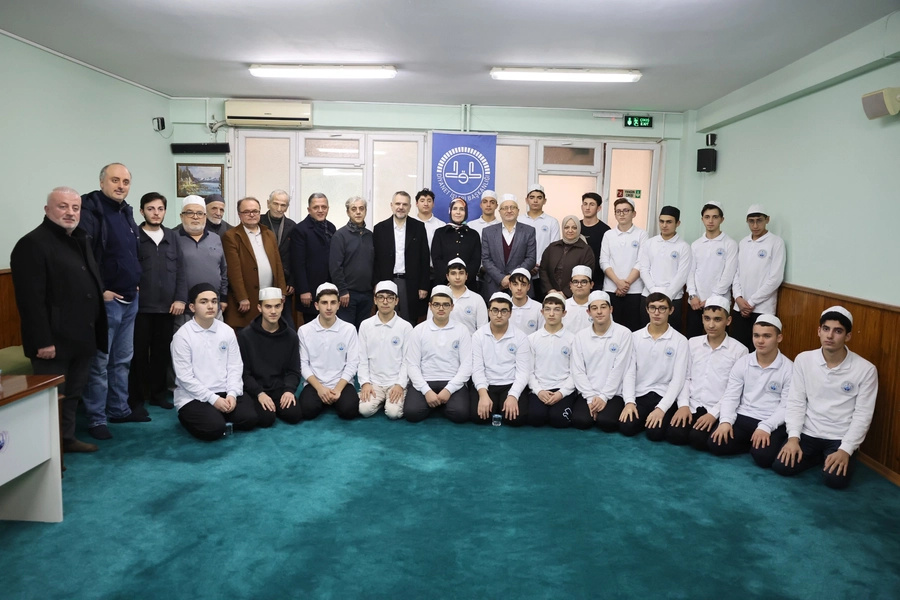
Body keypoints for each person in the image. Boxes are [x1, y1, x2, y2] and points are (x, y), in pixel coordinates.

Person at [10, 187, 107, 453]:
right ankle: (47, 452)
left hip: (81, 336)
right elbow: (30, 301)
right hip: (53, 341)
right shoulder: (32, 243)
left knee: (73, 394)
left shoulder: (80, 238)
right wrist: (43, 341)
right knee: (50, 398)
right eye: (63, 206)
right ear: (47, 210)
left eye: (75, 208)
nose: (70, 212)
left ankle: (66, 440)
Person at [773, 307, 878, 489]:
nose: (830, 335)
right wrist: (793, 438)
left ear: (848, 336)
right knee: (781, 467)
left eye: (838, 331)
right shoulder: (804, 360)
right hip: (808, 432)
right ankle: (817, 456)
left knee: (834, 481)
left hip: (839, 437)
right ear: (819, 331)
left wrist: (846, 449)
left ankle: (831, 456)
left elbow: (863, 415)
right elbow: (796, 402)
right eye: (826, 329)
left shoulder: (866, 369)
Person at [79, 163, 146, 440]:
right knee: (99, 363)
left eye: (126, 182)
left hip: (130, 298)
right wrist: (101, 290)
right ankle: (96, 418)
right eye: (115, 180)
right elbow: (83, 255)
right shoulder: (90, 211)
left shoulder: (125, 211)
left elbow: (129, 252)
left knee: (122, 360)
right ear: (102, 182)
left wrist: (135, 280)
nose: (121, 186)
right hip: (106, 301)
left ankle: (119, 409)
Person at [171, 283, 258, 441]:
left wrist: (232, 394)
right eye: (203, 302)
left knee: (251, 418)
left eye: (214, 301)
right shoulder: (182, 336)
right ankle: (201, 417)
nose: (210, 306)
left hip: (224, 390)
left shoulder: (227, 331)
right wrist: (213, 399)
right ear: (192, 307)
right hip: (193, 396)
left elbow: (235, 366)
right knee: (213, 429)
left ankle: (218, 415)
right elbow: (185, 378)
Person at [708, 314, 791, 467]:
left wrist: (766, 427)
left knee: (763, 457)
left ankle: (755, 445)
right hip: (744, 415)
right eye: (756, 335)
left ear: (779, 338)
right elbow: (731, 396)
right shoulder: (743, 362)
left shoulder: (789, 368)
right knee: (715, 443)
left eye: (767, 336)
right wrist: (725, 421)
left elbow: (786, 407)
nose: (760, 341)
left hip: (770, 420)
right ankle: (750, 443)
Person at [666, 296, 748, 450]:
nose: (711, 325)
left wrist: (713, 414)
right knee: (675, 435)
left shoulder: (739, 351)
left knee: (699, 440)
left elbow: (733, 391)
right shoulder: (692, 343)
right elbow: (685, 377)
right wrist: (683, 405)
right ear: (702, 319)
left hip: (716, 408)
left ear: (728, 321)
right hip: (692, 405)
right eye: (707, 318)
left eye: (717, 319)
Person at [129, 192, 183, 416]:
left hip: (168, 307)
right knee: (138, 354)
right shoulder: (134, 236)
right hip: (141, 308)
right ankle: (137, 397)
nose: (156, 213)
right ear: (142, 211)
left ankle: (158, 394)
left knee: (162, 353)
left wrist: (180, 298)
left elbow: (181, 270)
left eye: (160, 209)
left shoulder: (172, 237)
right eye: (151, 209)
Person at [619, 290, 690, 440]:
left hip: (664, 395)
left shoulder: (680, 341)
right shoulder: (635, 337)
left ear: (671, 310)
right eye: (653, 307)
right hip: (640, 393)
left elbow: (678, 379)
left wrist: (661, 409)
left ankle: (653, 417)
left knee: (655, 433)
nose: (657, 312)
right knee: (626, 427)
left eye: (662, 308)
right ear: (647, 309)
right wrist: (629, 402)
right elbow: (629, 372)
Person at [236, 287, 303, 427]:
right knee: (266, 419)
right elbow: (244, 373)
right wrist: (259, 393)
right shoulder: (245, 336)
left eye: (277, 306)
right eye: (268, 306)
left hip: (280, 388)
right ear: (259, 308)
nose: (273, 311)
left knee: (294, 415)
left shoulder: (291, 336)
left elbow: (294, 370)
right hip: (256, 389)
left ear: (282, 306)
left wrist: (289, 390)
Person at [405, 285, 472, 423]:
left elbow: (467, 365)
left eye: (445, 305)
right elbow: (412, 365)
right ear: (430, 306)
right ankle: (439, 403)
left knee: (461, 414)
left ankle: (436, 404)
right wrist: (426, 391)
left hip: (451, 379)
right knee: (412, 413)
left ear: (452, 307)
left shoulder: (462, 330)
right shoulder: (419, 330)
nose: (441, 308)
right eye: (436, 304)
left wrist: (449, 390)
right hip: (425, 379)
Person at [571, 291, 634, 431]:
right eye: (594, 308)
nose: (599, 312)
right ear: (588, 312)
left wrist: (604, 397)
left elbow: (620, 368)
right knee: (581, 421)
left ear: (611, 309)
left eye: (603, 307)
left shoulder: (624, 334)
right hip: (588, 392)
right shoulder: (580, 337)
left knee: (607, 423)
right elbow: (578, 370)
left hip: (613, 393)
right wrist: (590, 398)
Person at [297, 283, 360, 420]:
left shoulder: (349, 329)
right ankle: (324, 399)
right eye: (324, 303)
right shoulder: (304, 330)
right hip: (315, 384)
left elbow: (352, 364)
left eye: (333, 302)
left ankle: (331, 400)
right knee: (307, 411)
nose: (329, 307)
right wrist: (320, 389)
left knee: (349, 411)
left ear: (338, 305)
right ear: (316, 305)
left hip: (341, 383)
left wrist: (338, 389)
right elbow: (303, 364)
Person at [222, 197, 286, 329]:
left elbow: (277, 265)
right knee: (248, 332)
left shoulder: (268, 234)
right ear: (239, 214)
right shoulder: (231, 236)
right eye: (246, 212)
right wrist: (242, 297)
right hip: (247, 298)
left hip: (269, 296)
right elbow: (234, 271)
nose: (252, 215)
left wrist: (282, 291)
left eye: (255, 211)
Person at [470, 292, 533, 426]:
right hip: (487, 384)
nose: (499, 315)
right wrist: (483, 394)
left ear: (510, 313)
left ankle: (501, 404)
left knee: (516, 419)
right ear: (489, 312)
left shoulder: (520, 337)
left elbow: (523, 372)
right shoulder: (478, 336)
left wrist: (513, 395)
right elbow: (477, 369)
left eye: (504, 311)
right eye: (495, 310)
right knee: (478, 417)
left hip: (510, 383)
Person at [731, 204, 786, 351]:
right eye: (751, 221)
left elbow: (775, 278)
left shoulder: (776, 242)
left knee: (759, 351)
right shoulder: (743, 243)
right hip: (739, 308)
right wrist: (738, 298)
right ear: (747, 221)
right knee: (738, 349)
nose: (755, 225)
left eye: (759, 220)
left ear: (767, 220)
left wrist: (751, 302)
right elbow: (736, 273)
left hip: (762, 309)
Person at [358, 281, 414, 419]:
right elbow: (361, 358)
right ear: (375, 300)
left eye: (390, 298)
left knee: (393, 413)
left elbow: (407, 360)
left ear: (396, 301)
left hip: (395, 382)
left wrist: (400, 384)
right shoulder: (366, 325)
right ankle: (381, 400)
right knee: (364, 410)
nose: (385, 302)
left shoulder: (405, 327)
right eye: (381, 297)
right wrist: (365, 383)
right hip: (373, 383)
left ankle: (390, 400)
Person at [373, 191, 430, 324]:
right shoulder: (380, 228)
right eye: (397, 204)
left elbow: (424, 258)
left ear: (410, 207)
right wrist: (376, 284)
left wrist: (423, 285)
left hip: (410, 283)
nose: (401, 207)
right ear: (391, 205)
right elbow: (375, 260)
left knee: (409, 320)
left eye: (404, 204)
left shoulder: (418, 227)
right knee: (385, 319)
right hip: (387, 280)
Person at [686, 202, 738, 338]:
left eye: (715, 217)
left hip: (719, 302)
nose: (710, 221)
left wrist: (712, 298)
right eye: (707, 217)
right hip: (696, 303)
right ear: (702, 219)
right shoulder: (696, 244)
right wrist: (692, 295)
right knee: (693, 338)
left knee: (719, 340)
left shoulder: (730, 244)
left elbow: (728, 274)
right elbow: (690, 272)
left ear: (722, 219)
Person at [174, 196, 228, 326]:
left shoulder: (215, 238)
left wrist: (223, 297)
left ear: (205, 216)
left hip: (213, 307)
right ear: (182, 216)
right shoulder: (172, 238)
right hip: (184, 308)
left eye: (199, 213)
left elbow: (223, 270)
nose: (195, 217)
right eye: (190, 213)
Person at [526, 292, 578, 428]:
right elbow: (528, 371)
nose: (551, 314)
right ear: (542, 312)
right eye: (548, 309)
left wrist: (561, 393)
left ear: (564, 313)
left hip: (563, 388)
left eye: (557, 309)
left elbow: (576, 372)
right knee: (535, 418)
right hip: (540, 388)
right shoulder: (532, 339)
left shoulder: (573, 339)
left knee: (559, 420)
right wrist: (538, 391)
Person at [638, 206, 691, 333]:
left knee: (670, 335)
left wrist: (667, 295)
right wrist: (653, 291)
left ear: (678, 223)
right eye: (661, 221)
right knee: (646, 333)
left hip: (673, 298)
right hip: (648, 295)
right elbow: (644, 269)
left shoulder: (683, 247)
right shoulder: (649, 243)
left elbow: (682, 275)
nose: (664, 225)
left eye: (669, 222)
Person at [600, 197, 647, 332]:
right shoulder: (608, 235)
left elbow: (641, 261)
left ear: (634, 213)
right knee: (611, 328)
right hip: (611, 288)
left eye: (626, 211)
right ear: (615, 214)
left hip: (634, 290)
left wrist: (626, 284)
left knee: (632, 328)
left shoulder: (642, 234)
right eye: (618, 211)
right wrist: (618, 282)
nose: (622, 214)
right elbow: (604, 261)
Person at [290, 192, 335, 325]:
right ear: (309, 209)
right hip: (310, 290)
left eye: (323, 207)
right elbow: (298, 263)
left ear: (328, 208)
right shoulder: (300, 230)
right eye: (316, 207)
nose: (320, 210)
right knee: (312, 326)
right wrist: (304, 290)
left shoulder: (331, 228)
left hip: (329, 288)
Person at [330, 196, 374, 329]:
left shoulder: (371, 236)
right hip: (347, 295)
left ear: (366, 211)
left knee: (363, 332)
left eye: (361, 208)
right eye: (354, 209)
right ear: (348, 212)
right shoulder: (340, 236)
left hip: (367, 294)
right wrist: (342, 290)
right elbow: (335, 267)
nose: (358, 212)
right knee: (347, 332)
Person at [480, 194, 537, 299]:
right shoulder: (488, 232)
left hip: (520, 285)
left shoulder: (529, 231)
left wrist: (512, 278)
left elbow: (531, 259)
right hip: (494, 284)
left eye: (512, 207)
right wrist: (501, 278)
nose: (509, 211)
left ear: (518, 211)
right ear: (499, 211)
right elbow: (486, 259)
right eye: (505, 208)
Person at [261, 190, 298, 326]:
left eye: (283, 205)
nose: (279, 208)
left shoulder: (292, 226)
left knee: (286, 321)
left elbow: (296, 256)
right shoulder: (258, 222)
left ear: (287, 207)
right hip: (262, 278)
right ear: (268, 203)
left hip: (284, 280)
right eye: (275, 204)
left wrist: (292, 281)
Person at [519, 184, 560, 299]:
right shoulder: (519, 220)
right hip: (521, 271)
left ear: (544, 201)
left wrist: (538, 265)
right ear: (526, 200)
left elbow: (554, 248)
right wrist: (528, 265)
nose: (535, 201)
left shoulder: (552, 222)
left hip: (544, 273)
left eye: (539, 197)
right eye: (532, 197)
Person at [432, 197, 481, 290]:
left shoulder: (473, 235)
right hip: (443, 284)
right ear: (450, 211)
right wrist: (448, 278)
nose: (458, 212)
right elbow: (436, 258)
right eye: (455, 209)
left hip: (468, 285)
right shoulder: (440, 233)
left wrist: (464, 279)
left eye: (462, 209)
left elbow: (476, 260)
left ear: (466, 212)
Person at [429, 258, 487, 334]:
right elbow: (429, 324)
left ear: (466, 276)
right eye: (453, 273)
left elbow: (482, 330)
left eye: (461, 273)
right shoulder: (438, 298)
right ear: (447, 276)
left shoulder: (477, 299)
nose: (457, 277)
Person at [540, 215, 595, 296]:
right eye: (566, 227)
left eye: (574, 228)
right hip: (551, 295)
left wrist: (565, 293)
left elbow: (585, 275)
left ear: (579, 229)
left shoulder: (586, 250)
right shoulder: (552, 247)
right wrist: (550, 290)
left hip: (575, 296)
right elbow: (543, 270)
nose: (570, 230)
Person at [467, 190, 499, 292]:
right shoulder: (471, 225)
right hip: (473, 276)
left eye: (492, 202)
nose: (488, 205)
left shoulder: (501, 226)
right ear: (481, 205)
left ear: (496, 206)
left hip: (494, 276)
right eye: (485, 202)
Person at [580, 192, 610, 291]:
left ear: (599, 208)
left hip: (598, 279)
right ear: (581, 207)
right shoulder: (575, 227)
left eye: (592, 204)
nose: (587, 208)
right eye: (585, 204)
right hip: (578, 277)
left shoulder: (605, 230)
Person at [508, 268, 544, 335]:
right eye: (515, 284)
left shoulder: (539, 308)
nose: (519, 288)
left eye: (523, 285)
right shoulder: (503, 307)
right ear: (510, 286)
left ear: (528, 287)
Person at [414, 188, 445, 257]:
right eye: (422, 201)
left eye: (429, 201)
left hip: (434, 263)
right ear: (416, 203)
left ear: (433, 204)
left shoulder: (441, 225)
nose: (426, 204)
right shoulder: (410, 224)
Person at [562, 266, 594, 334]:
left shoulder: (598, 307)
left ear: (591, 285)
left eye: (584, 282)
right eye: (575, 282)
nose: (579, 285)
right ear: (570, 285)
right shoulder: (563, 306)